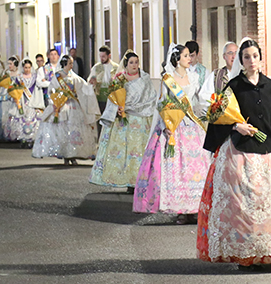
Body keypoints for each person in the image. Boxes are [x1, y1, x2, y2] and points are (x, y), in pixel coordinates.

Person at [196, 38, 271, 269]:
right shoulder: (234, 86)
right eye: (246, 57)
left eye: (254, 56)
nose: (251, 61)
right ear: (241, 60)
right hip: (240, 152)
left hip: (268, 151)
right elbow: (219, 118)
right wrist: (237, 126)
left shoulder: (270, 86)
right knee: (242, 206)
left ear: (260, 58)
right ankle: (244, 254)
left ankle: (269, 251)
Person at [133, 44, 211, 224]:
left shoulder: (194, 77)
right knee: (176, 169)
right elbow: (162, 103)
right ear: (177, 60)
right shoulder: (167, 79)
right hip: (174, 127)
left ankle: (194, 208)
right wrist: (167, 124)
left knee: (196, 167)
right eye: (185, 56)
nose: (189, 59)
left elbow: (196, 101)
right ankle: (180, 210)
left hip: (191, 126)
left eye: (189, 56)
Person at [90, 50, 158, 193]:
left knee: (139, 150)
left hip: (140, 120)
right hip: (123, 120)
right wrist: (118, 108)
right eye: (131, 63)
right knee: (125, 151)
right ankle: (127, 180)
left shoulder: (144, 78)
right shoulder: (119, 79)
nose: (134, 65)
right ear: (126, 64)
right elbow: (113, 98)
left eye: (136, 62)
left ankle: (139, 180)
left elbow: (151, 98)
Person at [32, 55, 100, 165]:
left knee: (74, 129)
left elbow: (83, 87)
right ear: (64, 64)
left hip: (73, 105)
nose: (71, 65)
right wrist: (55, 100)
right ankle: (65, 155)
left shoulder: (74, 76)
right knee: (63, 129)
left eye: (72, 63)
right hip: (61, 105)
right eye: (70, 63)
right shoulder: (57, 76)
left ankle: (73, 154)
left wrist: (90, 86)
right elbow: (52, 90)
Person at [6, 59, 44, 147]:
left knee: (32, 120)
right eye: (25, 67)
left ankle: (31, 139)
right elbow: (13, 88)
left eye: (29, 67)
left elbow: (38, 88)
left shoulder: (35, 77)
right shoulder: (19, 77)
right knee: (22, 120)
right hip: (22, 101)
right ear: (23, 68)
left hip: (33, 101)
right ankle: (22, 138)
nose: (27, 69)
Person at [0, 56, 21, 141]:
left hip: (14, 95)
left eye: (11, 64)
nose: (9, 65)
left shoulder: (19, 73)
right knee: (3, 113)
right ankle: (2, 134)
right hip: (5, 94)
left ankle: (13, 134)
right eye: (8, 64)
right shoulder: (6, 72)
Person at [198, 41, 237, 107]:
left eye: (236, 53)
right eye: (230, 53)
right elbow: (204, 97)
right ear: (224, 56)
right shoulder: (216, 75)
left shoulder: (245, 74)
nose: (234, 56)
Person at [88, 45, 119, 113]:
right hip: (100, 97)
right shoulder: (96, 67)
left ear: (109, 56)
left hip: (112, 97)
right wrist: (92, 82)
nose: (101, 58)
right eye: (100, 56)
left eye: (103, 57)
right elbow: (89, 81)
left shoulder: (115, 67)